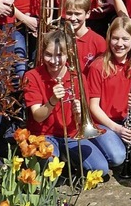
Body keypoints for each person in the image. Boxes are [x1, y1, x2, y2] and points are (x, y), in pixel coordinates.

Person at [23, 29, 110, 175]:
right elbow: (38, 116)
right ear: (42, 53)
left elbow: (82, 118)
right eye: (48, 55)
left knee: (101, 169)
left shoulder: (78, 77)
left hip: (71, 134)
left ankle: (68, 159)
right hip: (44, 134)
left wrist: (79, 114)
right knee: (50, 168)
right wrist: (53, 100)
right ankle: (63, 160)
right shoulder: (32, 76)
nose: (54, 61)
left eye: (59, 55)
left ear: (67, 54)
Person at [87, 16, 131, 174]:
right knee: (117, 158)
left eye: (125, 39)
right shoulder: (98, 66)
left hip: (126, 120)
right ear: (109, 38)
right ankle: (123, 148)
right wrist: (117, 129)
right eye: (115, 38)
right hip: (104, 123)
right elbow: (93, 107)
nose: (120, 44)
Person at [63, 0, 107, 75]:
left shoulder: (98, 41)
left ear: (87, 14)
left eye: (77, 14)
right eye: (69, 13)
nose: (72, 18)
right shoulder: (61, 38)